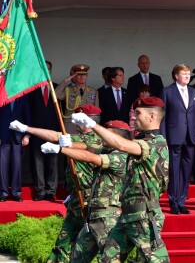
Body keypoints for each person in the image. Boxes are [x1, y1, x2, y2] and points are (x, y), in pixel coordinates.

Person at [71, 96, 170, 262]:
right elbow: (92, 149)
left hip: (144, 215)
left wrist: (92, 125)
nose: (133, 117)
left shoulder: (156, 143)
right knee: (108, 259)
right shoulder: (140, 142)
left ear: (152, 116)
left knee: (155, 259)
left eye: (137, 113)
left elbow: (121, 145)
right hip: (127, 216)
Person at [10, 105, 103, 262]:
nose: (75, 123)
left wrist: (27, 128)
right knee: (62, 243)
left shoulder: (96, 140)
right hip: (76, 198)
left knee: (100, 246)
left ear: (87, 121)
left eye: (78, 120)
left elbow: (56, 136)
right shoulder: (79, 138)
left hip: (90, 200)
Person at [40, 120, 130, 263]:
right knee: (77, 259)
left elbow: (91, 157)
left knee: (110, 260)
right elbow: (86, 148)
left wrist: (60, 149)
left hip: (107, 217)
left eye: (108, 134)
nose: (102, 137)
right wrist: (67, 143)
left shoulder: (121, 157)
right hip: (93, 215)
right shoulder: (105, 150)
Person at [161, 64, 195, 214]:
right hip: (174, 136)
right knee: (174, 170)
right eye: (184, 73)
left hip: (191, 136)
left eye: (188, 73)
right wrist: (163, 137)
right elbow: (163, 117)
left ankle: (182, 200)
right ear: (176, 76)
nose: (187, 76)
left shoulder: (194, 92)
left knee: (186, 170)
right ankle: (173, 201)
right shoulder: (167, 91)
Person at [29, 60, 60, 201]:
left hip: (54, 131)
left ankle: (51, 191)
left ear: (51, 71)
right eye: (43, 68)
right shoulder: (31, 89)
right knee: (38, 162)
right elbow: (28, 111)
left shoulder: (57, 88)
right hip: (36, 130)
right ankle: (40, 190)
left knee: (53, 162)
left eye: (48, 68)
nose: (46, 71)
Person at [0, 95, 31, 202]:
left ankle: (16, 192)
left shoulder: (23, 98)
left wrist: (27, 135)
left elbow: (27, 116)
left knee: (17, 165)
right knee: (2, 165)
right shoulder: (2, 95)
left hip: (18, 136)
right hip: (3, 136)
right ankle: (3, 192)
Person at [55, 64, 99, 134]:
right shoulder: (68, 90)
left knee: (85, 144)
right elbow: (55, 95)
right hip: (71, 124)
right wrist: (66, 81)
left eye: (84, 75)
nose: (82, 77)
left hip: (87, 124)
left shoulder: (93, 91)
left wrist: (95, 125)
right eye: (79, 75)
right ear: (74, 77)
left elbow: (96, 111)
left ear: (87, 76)